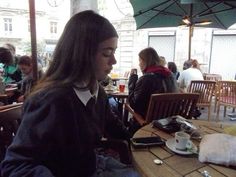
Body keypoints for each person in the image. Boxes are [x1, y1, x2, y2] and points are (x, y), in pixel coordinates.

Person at [1, 10, 139, 177]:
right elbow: (16, 166)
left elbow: (113, 126)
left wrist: (142, 138)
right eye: (107, 53)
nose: (114, 61)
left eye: (114, 52)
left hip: (93, 164)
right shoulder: (51, 101)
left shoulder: (96, 92)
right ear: (81, 53)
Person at [128, 47, 178, 133]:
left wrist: (132, 80)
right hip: (169, 122)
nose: (139, 64)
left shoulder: (146, 79)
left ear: (145, 62)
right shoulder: (170, 75)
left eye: (140, 61)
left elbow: (134, 105)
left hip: (150, 124)